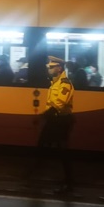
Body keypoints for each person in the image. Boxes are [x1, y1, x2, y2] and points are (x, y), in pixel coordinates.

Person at [28, 56, 75, 193]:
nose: (48, 69)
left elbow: (59, 105)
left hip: (61, 121)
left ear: (59, 68)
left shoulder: (65, 84)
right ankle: (32, 175)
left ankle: (68, 182)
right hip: (53, 120)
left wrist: (42, 117)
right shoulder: (55, 83)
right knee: (42, 146)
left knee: (61, 151)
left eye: (51, 67)